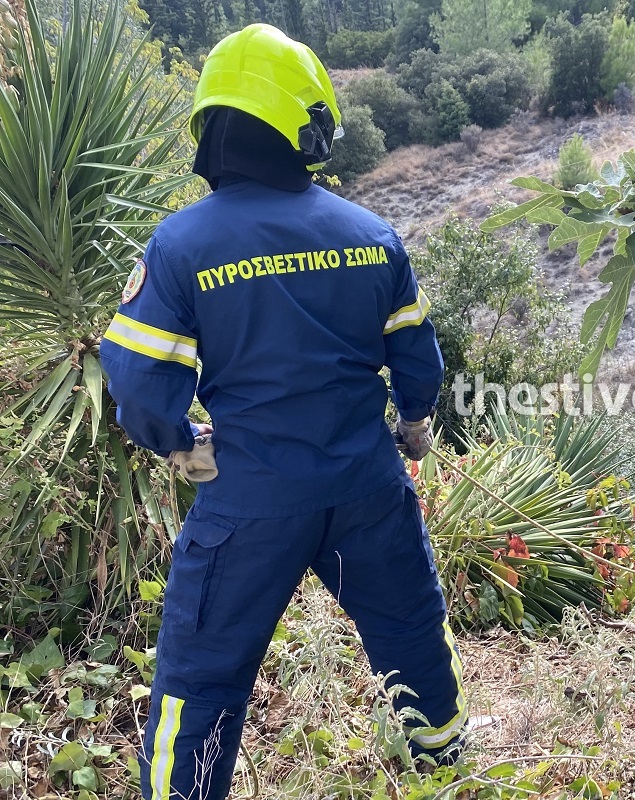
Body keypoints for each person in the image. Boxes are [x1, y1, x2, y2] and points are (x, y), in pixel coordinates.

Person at [99, 25, 465, 800]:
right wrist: (416, 425)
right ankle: (447, 770)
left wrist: (180, 446)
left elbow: (134, 378)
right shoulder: (371, 235)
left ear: (214, 127)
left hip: (248, 500)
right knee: (411, 637)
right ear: (307, 123)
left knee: (202, 679)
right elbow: (417, 356)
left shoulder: (181, 245)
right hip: (369, 488)